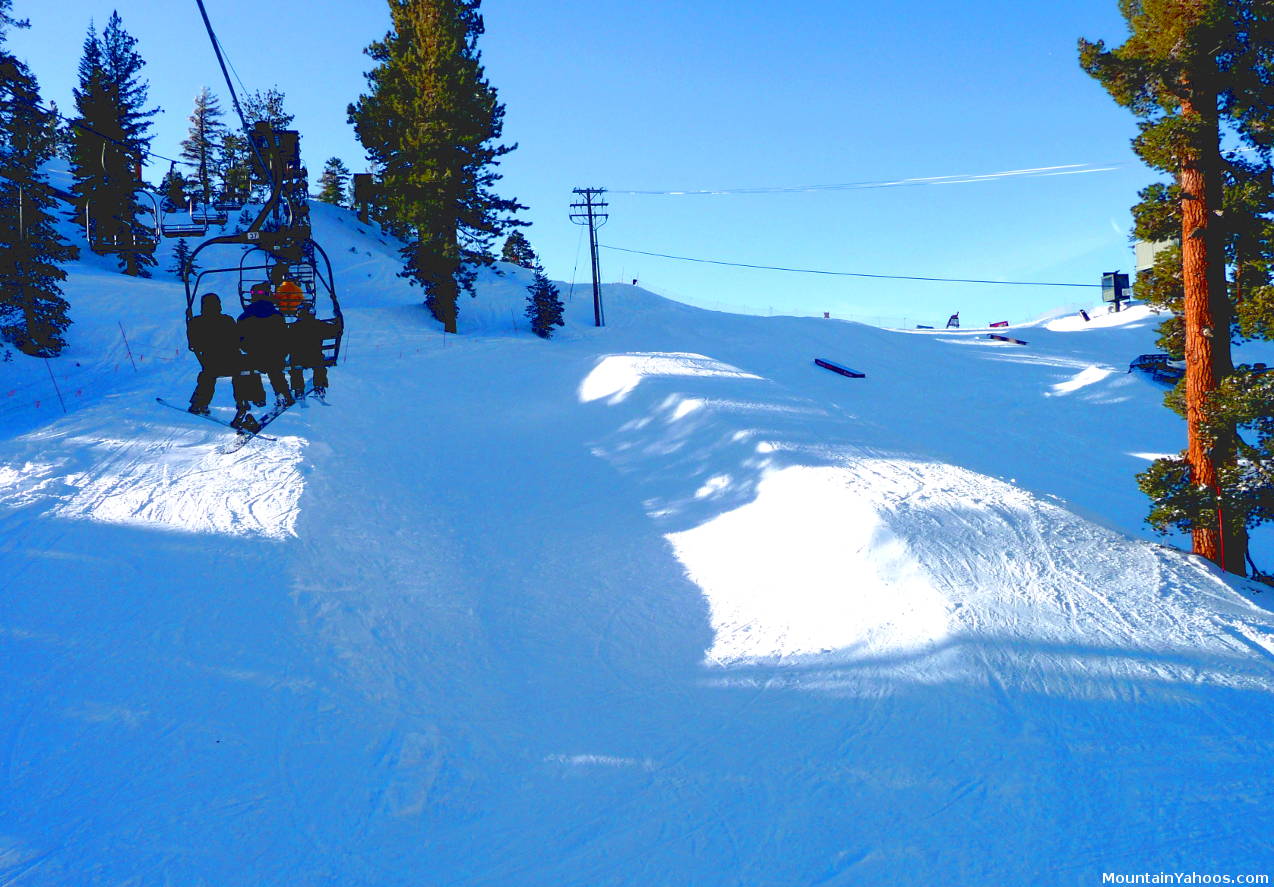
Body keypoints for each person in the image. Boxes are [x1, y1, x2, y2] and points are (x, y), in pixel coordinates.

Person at [187, 293, 243, 415]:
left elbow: (193, 344)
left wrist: (190, 324)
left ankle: (199, 403)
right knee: (241, 373)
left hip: (211, 361)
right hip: (232, 360)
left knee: (207, 376)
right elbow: (238, 340)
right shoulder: (227, 320)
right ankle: (242, 402)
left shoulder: (197, 322)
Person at [237, 298, 293, 410]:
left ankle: (258, 397)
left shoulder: (244, 318)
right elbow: (285, 337)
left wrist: (250, 348)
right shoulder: (278, 316)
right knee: (275, 370)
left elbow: (240, 341)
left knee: (249, 367)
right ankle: (283, 393)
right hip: (277, 356)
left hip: (256, 356)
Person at [287, 305, 338, 397]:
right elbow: (335, 331)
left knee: (296, 368)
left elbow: (286, 343)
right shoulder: (319, 325)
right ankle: (319, 385)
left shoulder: (293, 327)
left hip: (298, 359)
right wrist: (337, 319)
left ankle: (298, 388)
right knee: (319, 366)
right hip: (315, 357)